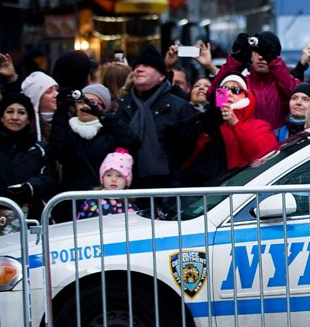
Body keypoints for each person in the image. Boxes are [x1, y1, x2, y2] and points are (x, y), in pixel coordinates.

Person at [111, 45, 199, 190]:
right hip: (129, 188)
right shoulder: (124, 105)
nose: (139, 69)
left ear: (162, 76)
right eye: (137, 66)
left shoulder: (179, 107)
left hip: (170, 187)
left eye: (146, 66)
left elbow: (189, 152)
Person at [47, 84, 139, 219]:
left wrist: (102, 115)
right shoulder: (68, 130)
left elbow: (132, 141)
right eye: (80, 101)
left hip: (106, 206)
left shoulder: (110, 131)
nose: (85, 106)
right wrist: (60, 112)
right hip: (72, 204)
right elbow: (59, 151)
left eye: (92, 102)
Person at [183, 74, 278, 185]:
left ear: (247, 96)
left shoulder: (260, 126)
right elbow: (187, 159)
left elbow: (260, 156)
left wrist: (235, 123)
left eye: (236, 90)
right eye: (223, 90)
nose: (228, 93)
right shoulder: (210, 124)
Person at [0, 92, 56, 224]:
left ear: (29, 119)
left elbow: (49, 176)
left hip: (33, 217)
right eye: (9, 111)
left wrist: (27, 188)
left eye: (21, 112)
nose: (15, 117)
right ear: (1, 117)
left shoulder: (41, 149)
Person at [212, 32, 300, 130]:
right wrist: (235, 59)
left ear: (276, 57)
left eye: (266, 53)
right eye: (257, 52)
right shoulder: (241, 84)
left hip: (280, 144)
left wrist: (274, 62)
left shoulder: (284, 84)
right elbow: (214, 97)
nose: (261, 57)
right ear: (251, 55)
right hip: (244, 142)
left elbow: (298, 94)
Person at [76, 149, 138, 220]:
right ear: (102, 178)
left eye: (119, 176)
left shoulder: (130, 207)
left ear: (126, 182)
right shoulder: (91, 202)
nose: (114, 179)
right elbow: (79, 225)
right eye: (108, 175)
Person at [19, 70, 58, 141]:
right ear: (36, 97)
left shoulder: (68, 119)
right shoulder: (26, 127)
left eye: (56, 89)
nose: (56, 94)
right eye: (49, 91)